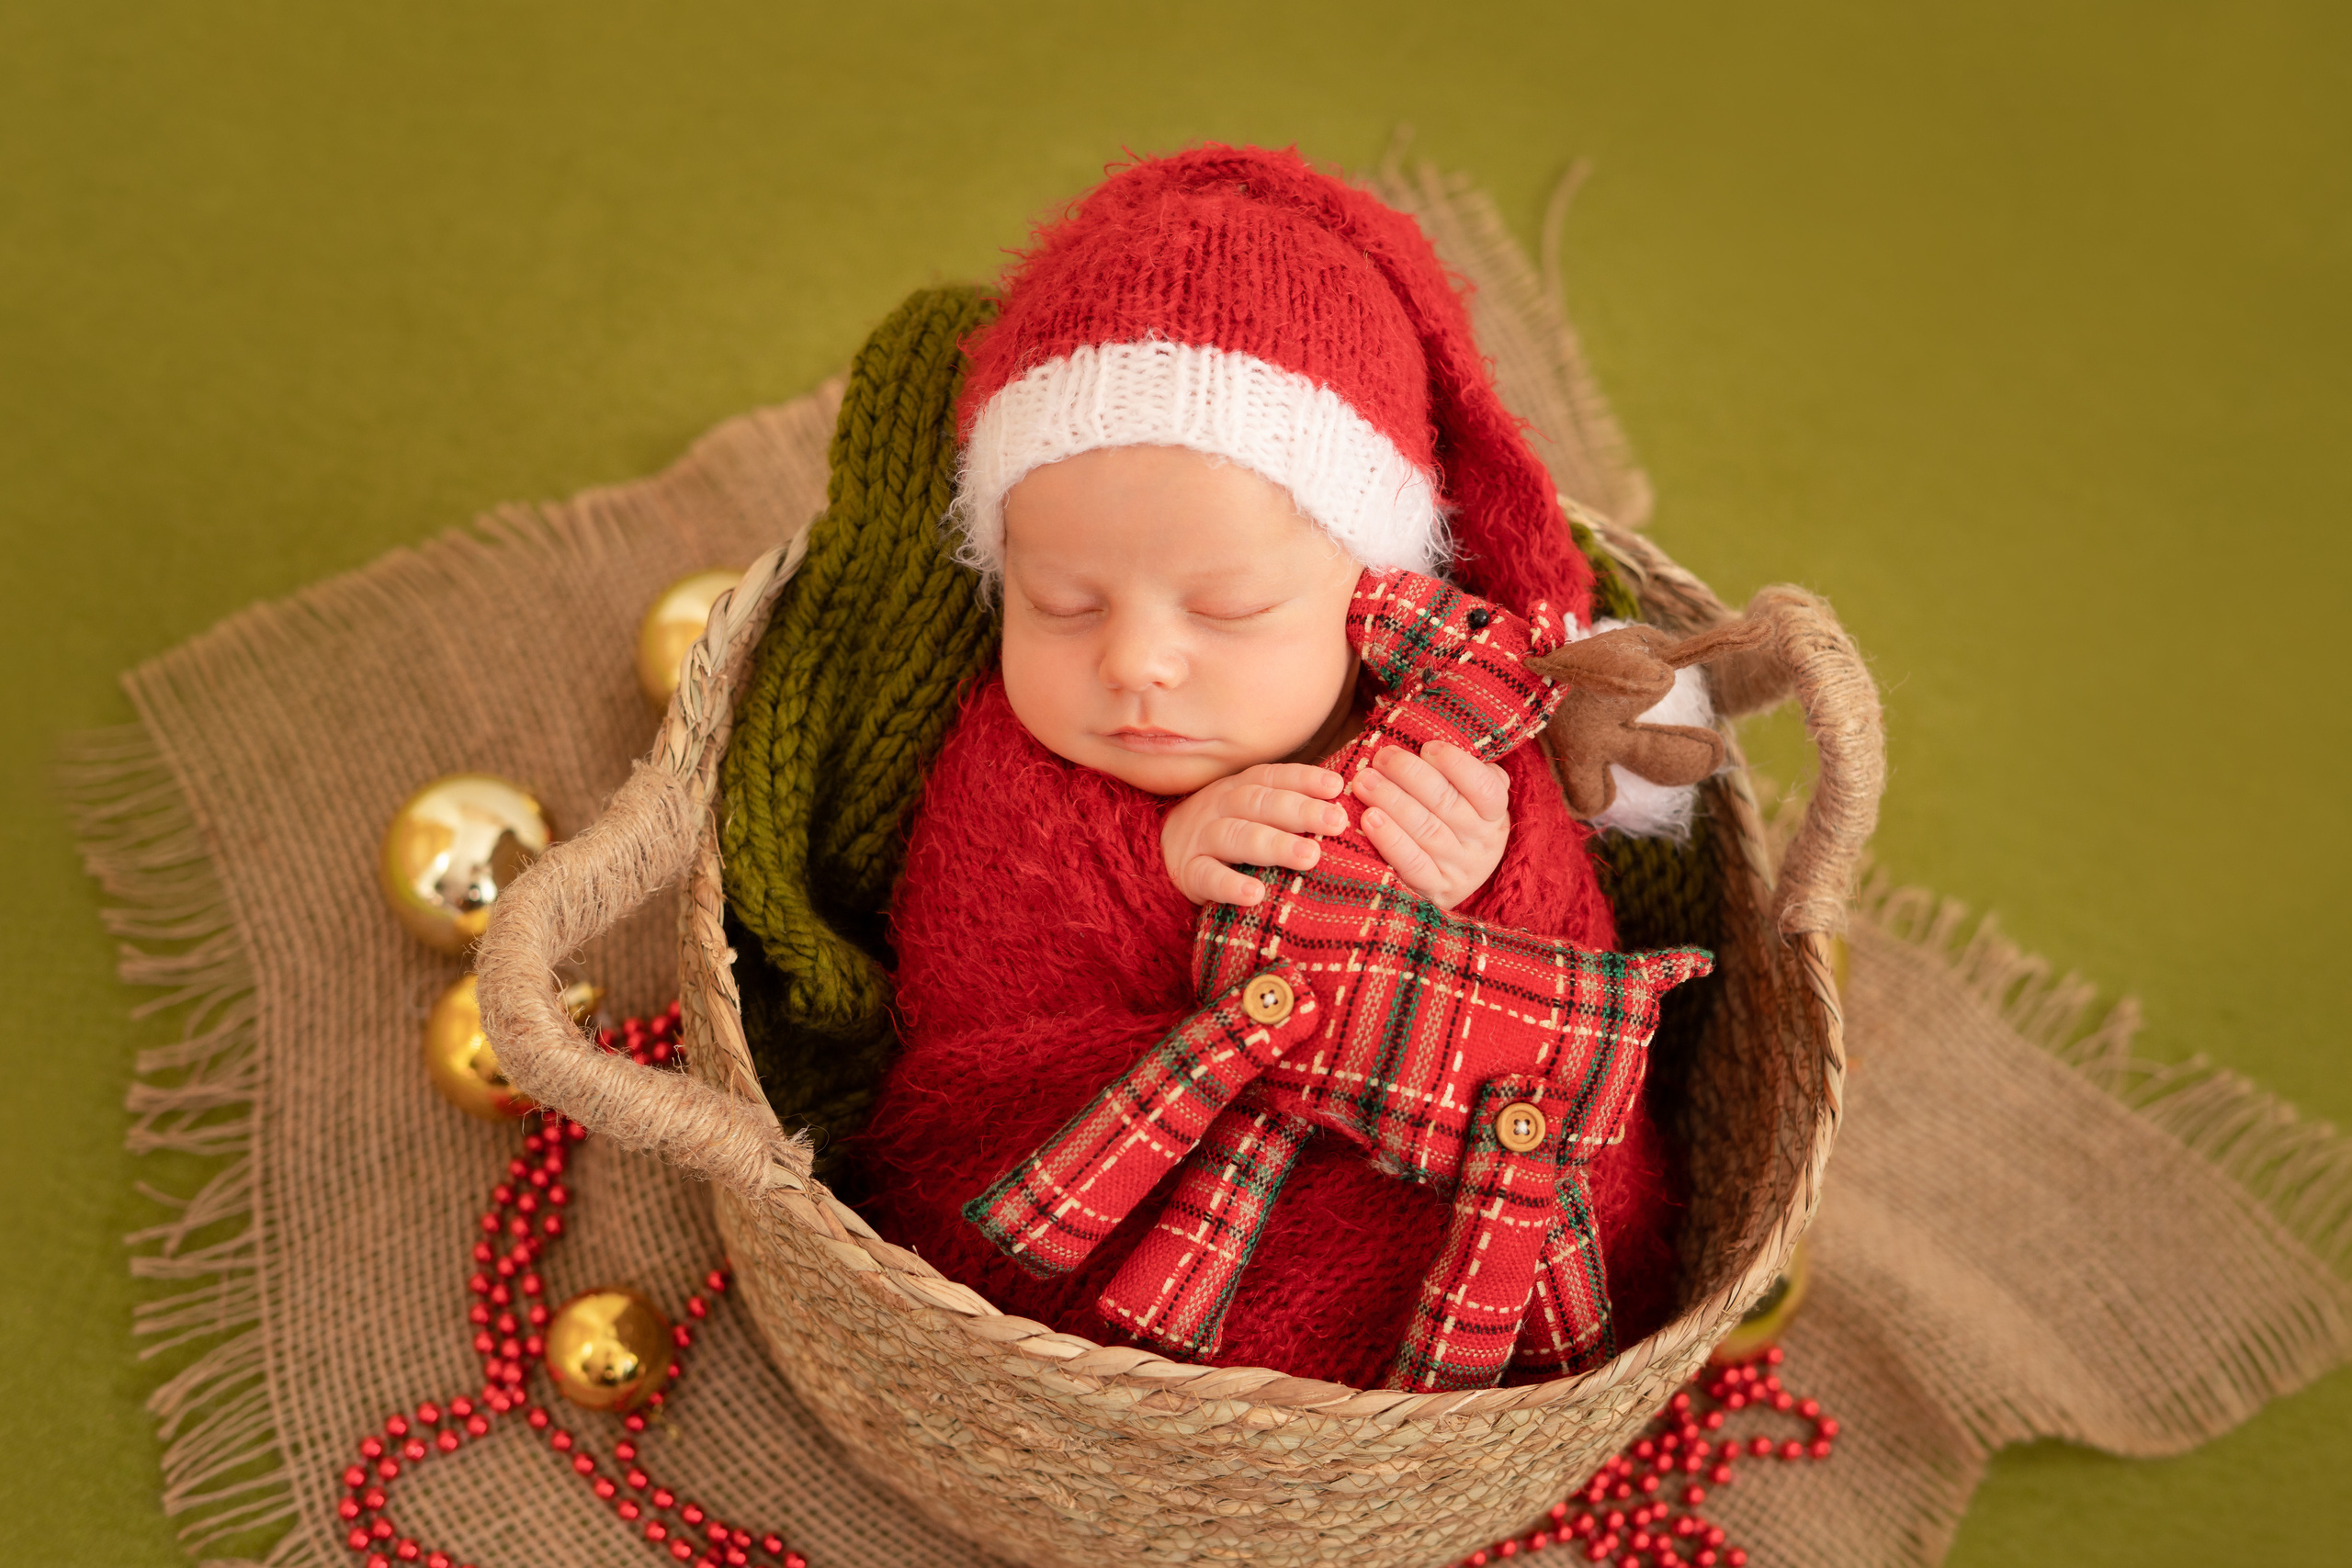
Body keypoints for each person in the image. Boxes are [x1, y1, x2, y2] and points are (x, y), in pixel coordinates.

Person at [853, 144, 1707, 1389]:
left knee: (1552, 1138)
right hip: (1098, 1205)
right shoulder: (1011, 766)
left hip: (1415, 1181)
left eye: (1231, 610)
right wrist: (1163, 873)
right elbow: (968, 981)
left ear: (1376, 594)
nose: (1139, 661)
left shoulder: (1454, 739)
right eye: (1062, 604)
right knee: (999, 1215)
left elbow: (1563, 976)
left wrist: (1484, 869)